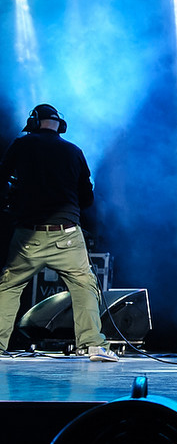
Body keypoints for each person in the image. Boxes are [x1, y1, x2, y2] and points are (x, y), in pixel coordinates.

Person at [0, 104, 118, 361]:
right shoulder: (74, 151)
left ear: (34, 122)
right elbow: (87, 198)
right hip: (67, 234)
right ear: (59, 125)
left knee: (9, 286)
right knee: (84, 286)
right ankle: (93, 345)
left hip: (28, 236)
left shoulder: (21, 145)